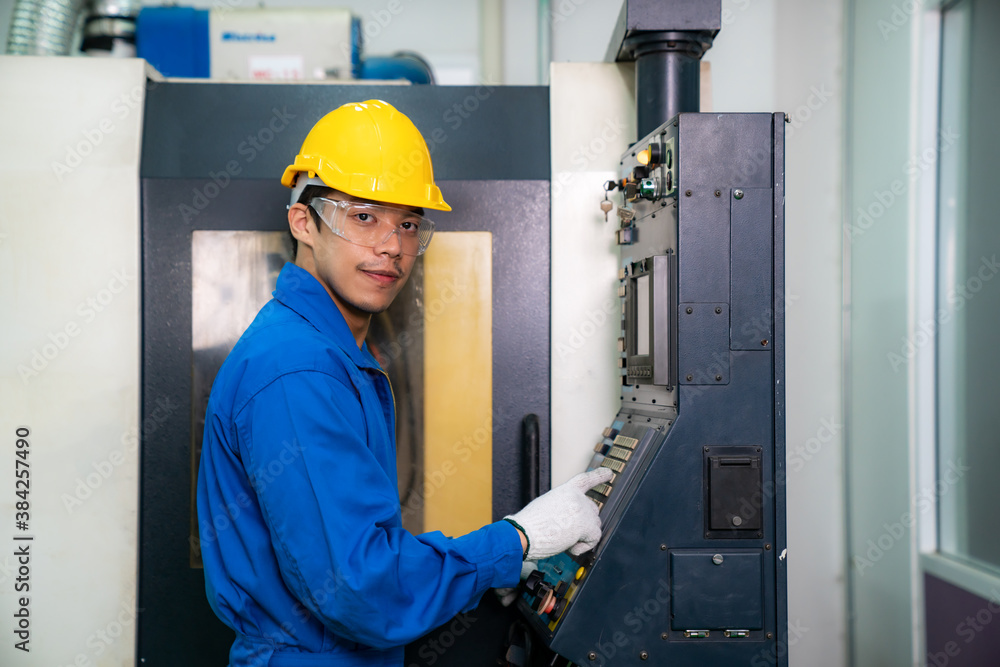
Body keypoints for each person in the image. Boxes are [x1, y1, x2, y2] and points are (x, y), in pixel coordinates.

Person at [196, 99, 612, 667]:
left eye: (408, 224)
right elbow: (360, 587)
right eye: (364, 216)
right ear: (303, 223)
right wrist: (513, 541)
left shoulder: (337, 354)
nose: (391, 246)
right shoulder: (298, 370)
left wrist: (498, 565)